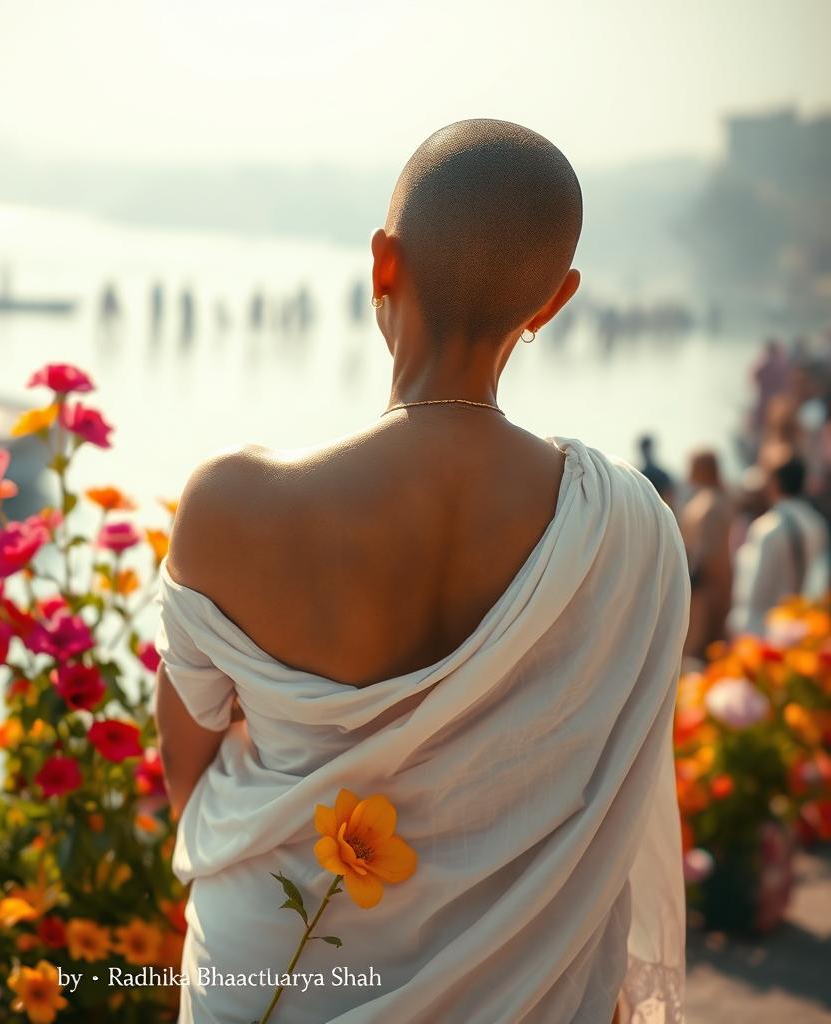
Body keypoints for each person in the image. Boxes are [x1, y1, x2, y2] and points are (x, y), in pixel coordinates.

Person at [155, 120, 688, 1024]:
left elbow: (186, 766)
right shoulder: (631, 525)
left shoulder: (231, 504)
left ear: (383, 263)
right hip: (523, 993)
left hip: (276, 975)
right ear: (555, 301)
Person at [729, 455, 829, 637]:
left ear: (773, 483)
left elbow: (752, 592)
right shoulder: (817, 523)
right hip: (806, 630)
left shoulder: (767, 527)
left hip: (766, 635)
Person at [680, 450, 734, 660]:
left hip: (705, 590)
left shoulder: (710, 505)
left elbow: (707, 555)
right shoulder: (713, 500)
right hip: (707, 586)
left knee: (700, 653)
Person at [637, 433, 676, 507]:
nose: (645, 452)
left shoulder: (638, 475)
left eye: (646, 449)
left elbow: (669, 498)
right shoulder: (638, 475)